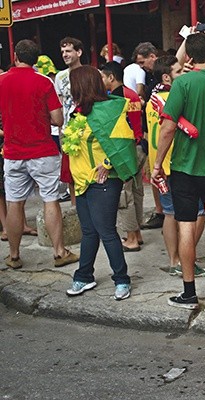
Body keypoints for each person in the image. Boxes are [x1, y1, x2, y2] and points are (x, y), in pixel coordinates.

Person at [152, 32, 205, 309]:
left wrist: (158, 163)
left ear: (188, 57)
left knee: (186, 226)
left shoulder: (182, 83)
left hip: (185, 167)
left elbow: (169, 127)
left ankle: (189, 292)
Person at [0, 39, 79, 270]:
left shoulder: (2, 81)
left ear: (15, 56)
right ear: (36, 60)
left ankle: (14, 256)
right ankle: (59, 252)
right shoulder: (44, 82)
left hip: (13, 153)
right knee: (51, 200)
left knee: (15, 203)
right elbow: (57, 119)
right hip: (43, 150)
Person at [64, 65, 137, 300]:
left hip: (104, 181)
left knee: (106, 231)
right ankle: (84, 276)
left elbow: (126, 143)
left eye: (72, 84)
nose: (69, 89)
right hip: (82, 181)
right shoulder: (77, 113)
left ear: (81, 86)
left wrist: (107, 163)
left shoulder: (109, 110)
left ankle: (122, 279)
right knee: (88, 232)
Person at [147, 55, 205, 277]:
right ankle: (187, 259)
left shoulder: (152, 100)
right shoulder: (177, 98)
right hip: (179, 163)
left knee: (169, 213)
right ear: (167, 77)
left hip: (159, 165)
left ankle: (174, 260)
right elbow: (183, 129)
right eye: (178, 72)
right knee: (200, 211)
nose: (184, 75)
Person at [100, 61, 146, 252]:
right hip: (139, 146)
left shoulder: (115, 99)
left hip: (126, 151)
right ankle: (138, 232)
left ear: (111, 77)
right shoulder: (132, 94)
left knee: (124, 195)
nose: (101, 80)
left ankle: (131, 237)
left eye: (103, 76)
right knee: (137, 191)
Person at [55, 37, 84, 205]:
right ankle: (75, 207)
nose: (65, 55)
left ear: (78, 52)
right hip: (67, 130)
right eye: (63, 52)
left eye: (68, 51)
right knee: (70, 173)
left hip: (86, 128)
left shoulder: (90, 72)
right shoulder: (60, 77)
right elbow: (59, 104)